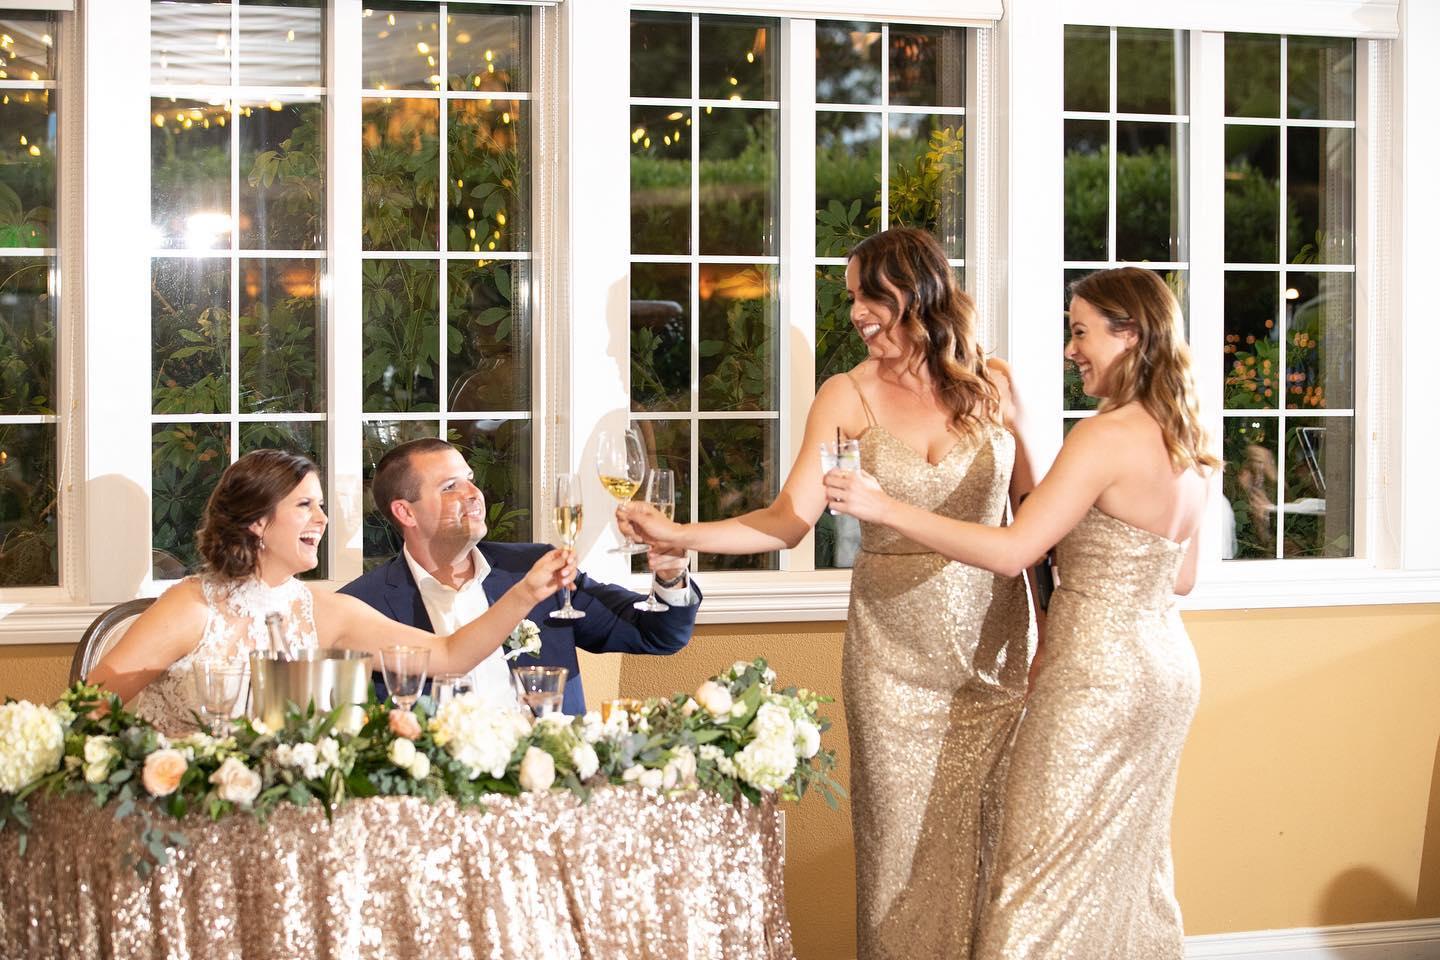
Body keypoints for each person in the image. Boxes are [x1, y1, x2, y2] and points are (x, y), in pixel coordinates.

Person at [619, 227, 1037, 959]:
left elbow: (1039, 517)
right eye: (850, 298)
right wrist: (680, 533)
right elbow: (787, 521)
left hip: (996, 650)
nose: (855, 313)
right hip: (893, 660)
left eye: (869, 295)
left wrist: (1055, 634)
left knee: (1001, 846)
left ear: (918, 291)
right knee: (899, 852)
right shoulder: (846, 394)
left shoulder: (994, 384)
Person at [825, 266, 1216, 959]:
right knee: (1125, 875)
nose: (1072, 349)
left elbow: (1013, 552)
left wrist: (887, 508)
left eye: (1082, 332)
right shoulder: (1190, 436)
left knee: (1038, 882)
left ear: (1129, 333)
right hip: (1167, 674)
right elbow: (1180, 577)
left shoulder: (1104, 436)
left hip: (1095, 678)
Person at [87, 449, 574, 736]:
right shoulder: (192, 607)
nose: (321, 520)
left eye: (320, 505)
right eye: (304, 505)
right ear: (257, 522)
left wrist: (525, 594)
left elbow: (449, 655)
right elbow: (89, 709)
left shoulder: (326, 611)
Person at [340, 438, 700, 714]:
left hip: (550, 774)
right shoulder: (362, 606)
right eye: (450, 487)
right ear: (406, 512)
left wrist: (671, 574)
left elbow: (657, 635)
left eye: (470, 480)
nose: (474, 494)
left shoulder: (533, 568)